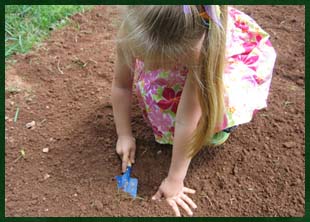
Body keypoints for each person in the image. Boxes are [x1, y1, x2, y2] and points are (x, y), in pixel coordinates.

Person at [111, 5, 276, 216]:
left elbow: (186, 120)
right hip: (183, 44)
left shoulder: (204, 48)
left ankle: (220, 123)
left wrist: (175, 180)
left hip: (228, 63)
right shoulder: (132, 27)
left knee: (217, 98)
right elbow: (121, 85)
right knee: (159, 92)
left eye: (161, 62)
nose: (149, 68)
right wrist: (124, 134)